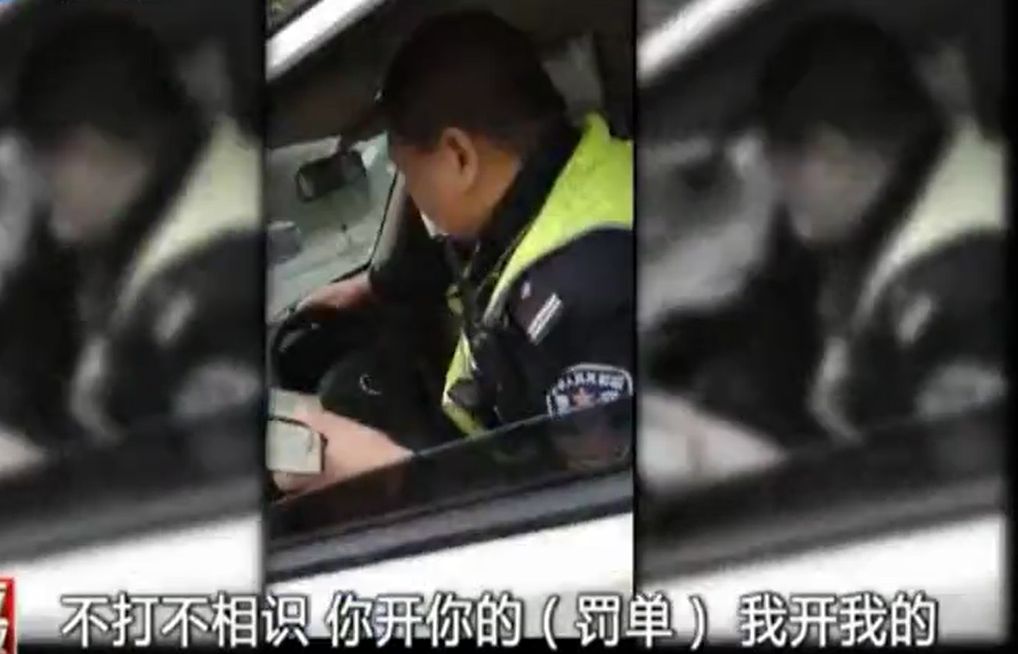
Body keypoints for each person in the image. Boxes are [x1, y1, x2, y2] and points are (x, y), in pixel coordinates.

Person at [277, 10, 634, 492]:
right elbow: (446, 263)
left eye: (409, 173)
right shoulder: (579, 171)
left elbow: (582, 506)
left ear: (459, 157)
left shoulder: (587, 294)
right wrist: (372, 286)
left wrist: (391, 469)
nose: (413, 194)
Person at [6, 9, 263, 457]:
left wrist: (33, 468)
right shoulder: (186, 183)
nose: (46, 203)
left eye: (46, 174)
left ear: (89, 154)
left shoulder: (218, 294)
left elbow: (200, 480)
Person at [754, 15, 1004, 440]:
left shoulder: (952, 292)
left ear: (829, 152)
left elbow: (950, 467)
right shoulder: (959, 166)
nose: (779, 192)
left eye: (781, 169)